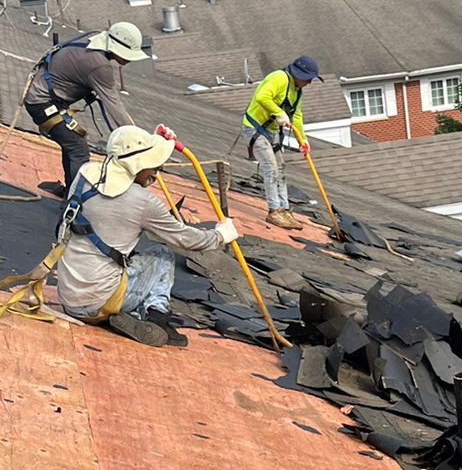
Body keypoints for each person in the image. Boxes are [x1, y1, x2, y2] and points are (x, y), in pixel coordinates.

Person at [53, 125, 238, 348]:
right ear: (137, 164)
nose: (155, 172)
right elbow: (188, 239)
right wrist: (220, 235)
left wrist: (156, 142)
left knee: (120, 250)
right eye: (151, 166)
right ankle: (156, 317)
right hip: (98, 301)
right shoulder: (141, 202)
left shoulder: (85, 174)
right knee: (162, 255)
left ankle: (121, 311)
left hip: (68, 295)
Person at [25, 23, 148, 194]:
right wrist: (139, 141)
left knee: (73, 144)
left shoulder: (93, 37)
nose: (129, 60)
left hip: (46, 97)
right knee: (78, 148)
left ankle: (70, 190)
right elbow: (114, 106)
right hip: (42, 103)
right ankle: (76, 200)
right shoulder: (99, 66)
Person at [243, 56, 320, 230]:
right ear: (298, 74)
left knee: (281, 169)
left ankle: (285, 209)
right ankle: (274, 211)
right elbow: (262, 96)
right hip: (254, 129)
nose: (309, 82)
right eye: (307, 78)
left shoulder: (297, 90)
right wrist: (278, 113)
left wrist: (302, 139)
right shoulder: (279, 78)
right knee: (271, 168)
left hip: (272, 132)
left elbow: (297, 115)